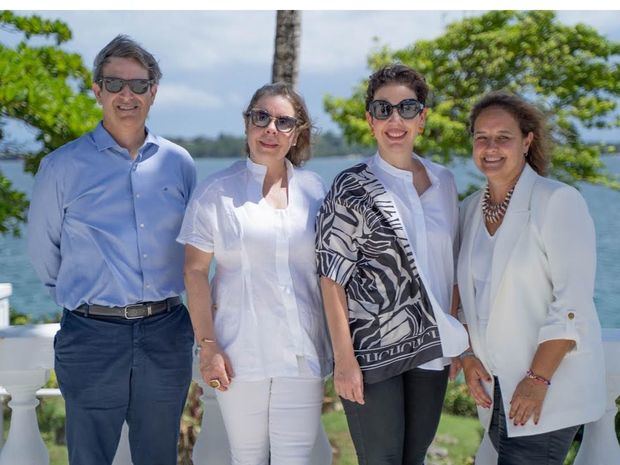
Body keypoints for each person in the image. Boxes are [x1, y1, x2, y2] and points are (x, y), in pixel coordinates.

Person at [27, 35, 196, 465]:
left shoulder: (179, 163)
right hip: (91, 337)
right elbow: (45, 255)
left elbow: (196, 251)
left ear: (153, 93)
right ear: (96, 89)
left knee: (158, 456)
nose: (127, 95)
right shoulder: (61, 166)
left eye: (139, 85)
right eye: (115, 83)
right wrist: (89, 304)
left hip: (166, 332)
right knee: (89, 457)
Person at [315, 64, 469, 465]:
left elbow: (452, 264)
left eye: (407, 108)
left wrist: (451, 330)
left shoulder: (444, 182)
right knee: (380, 458)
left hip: (432, 349)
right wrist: (344, 360)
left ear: (423, 117)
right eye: (383, 110)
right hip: (370, 353)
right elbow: (331, 279)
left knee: (413, 457)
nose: (395, 119)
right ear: (370, 120)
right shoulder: (350, 187)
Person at [177, 82, 332, 465]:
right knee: (246, 459)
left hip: (303, 353)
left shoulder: (316, 191)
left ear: (297, 133)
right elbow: (195, 272)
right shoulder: (216, 191)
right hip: (239, 354)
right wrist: (208, 346)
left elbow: (332, 271)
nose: (271, 129)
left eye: (283, 122)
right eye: (261, 117)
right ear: (248, 124)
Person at [457, 90, 606, 465]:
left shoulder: (558, 201)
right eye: (481, 137)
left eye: (503, 138)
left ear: (527, 141)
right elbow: (463, 292)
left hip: (546, 390)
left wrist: (537, 380)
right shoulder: (470, 209)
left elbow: (571, 302)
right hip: (496, 390)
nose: (491, 147)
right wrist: (467, 353)